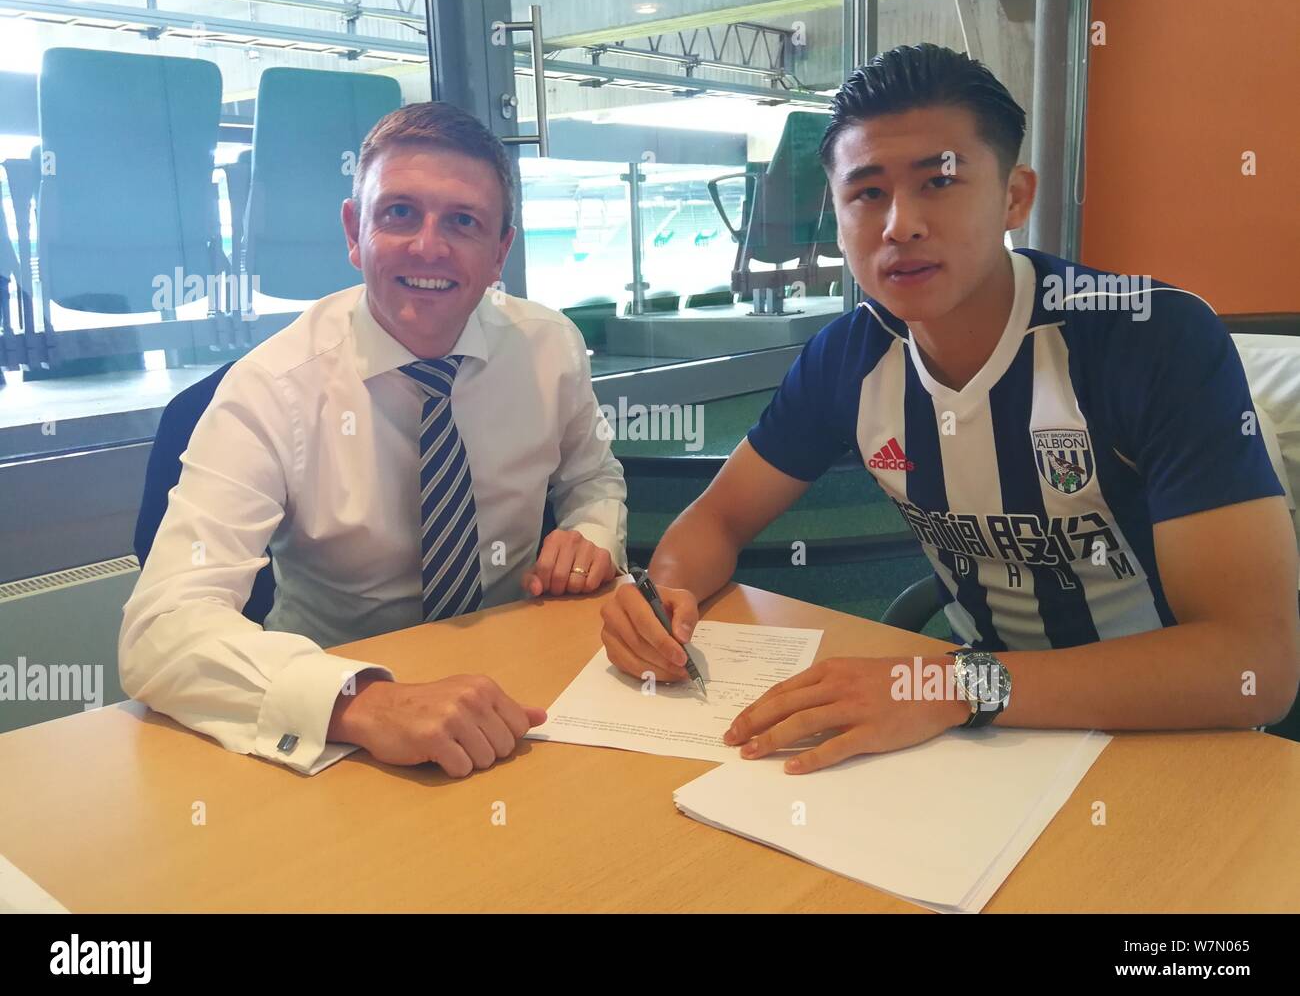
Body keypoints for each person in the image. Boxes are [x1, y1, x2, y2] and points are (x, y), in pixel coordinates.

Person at [599, 44, 1299, 773]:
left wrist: (951, 682)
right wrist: (662, 594)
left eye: (939, 181)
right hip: (974, 731)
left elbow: (1255, 661)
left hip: (1167, 736)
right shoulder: (848, 358)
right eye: (866, 194)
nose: (900, 224)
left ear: (1014, 197)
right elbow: (717, 519)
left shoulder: (1148, 339)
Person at [122, 102, 627, 777]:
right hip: (339, 734)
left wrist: (592, 531)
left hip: (519, 696)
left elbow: (594, 480)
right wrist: (361, 702)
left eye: (463, 221)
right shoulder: (270, 388)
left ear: (500, 252)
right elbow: (160, 628)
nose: (428, 245)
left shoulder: (549, 348)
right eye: (398, 213)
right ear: (353, 231)